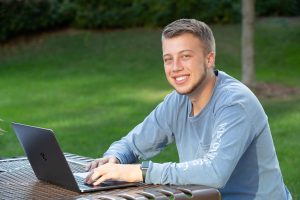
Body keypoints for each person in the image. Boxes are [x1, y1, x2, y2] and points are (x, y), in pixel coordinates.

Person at [85, 19, 292, 200]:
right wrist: (115, 158)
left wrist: (139, 172)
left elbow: (214, 173)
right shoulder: (177, 102)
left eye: (185, 56)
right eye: (168, 59)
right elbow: (131, 144)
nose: (175, 67)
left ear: (209, 59)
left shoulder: (235, 103)